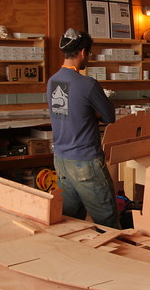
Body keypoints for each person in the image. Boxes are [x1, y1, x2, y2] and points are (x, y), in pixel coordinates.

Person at [47, 28, 119, 229]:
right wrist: (94, 113)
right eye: (89, 54)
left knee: (71, 221)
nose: (88, 58)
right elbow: (109, 116)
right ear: (82, 52)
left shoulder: (53, 81)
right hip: (85, 161)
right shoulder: (88, 84)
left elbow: (68, 112)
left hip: (61, 159)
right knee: (107, 222)